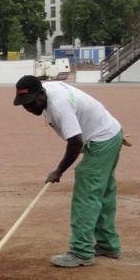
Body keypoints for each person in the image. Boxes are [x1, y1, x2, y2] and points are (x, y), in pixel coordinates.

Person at [14, 75, 125, 268]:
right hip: (109, 133)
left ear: (41, 94)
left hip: (102, 139)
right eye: (24, 105)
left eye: (32, 103)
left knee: (86, 194)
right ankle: (108, 245)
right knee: (103, 192)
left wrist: (58, 171)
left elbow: (75, 142)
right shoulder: (45, 91)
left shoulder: (59, 106)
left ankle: (81, 251)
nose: (29, 108)